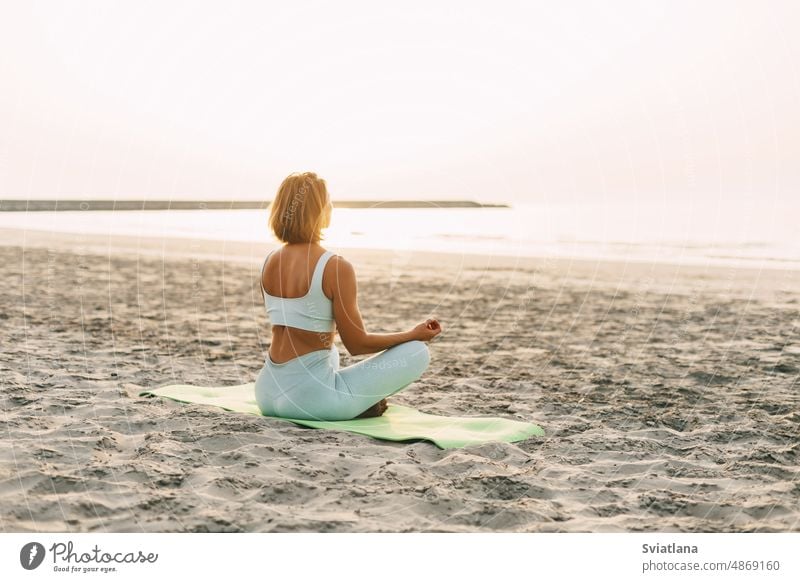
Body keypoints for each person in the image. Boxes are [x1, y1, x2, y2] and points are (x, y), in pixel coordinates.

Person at [254, 171, 442, 421]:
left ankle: (352, 400)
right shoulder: (334, 266)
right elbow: (357, 344)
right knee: (417, 352)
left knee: (330, 352)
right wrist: (413, 334)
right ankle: (357, 405)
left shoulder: (269, 262)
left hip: (266, 393)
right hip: (310, 399)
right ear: (318, 210)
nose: (331, 207)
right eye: (328, 201)